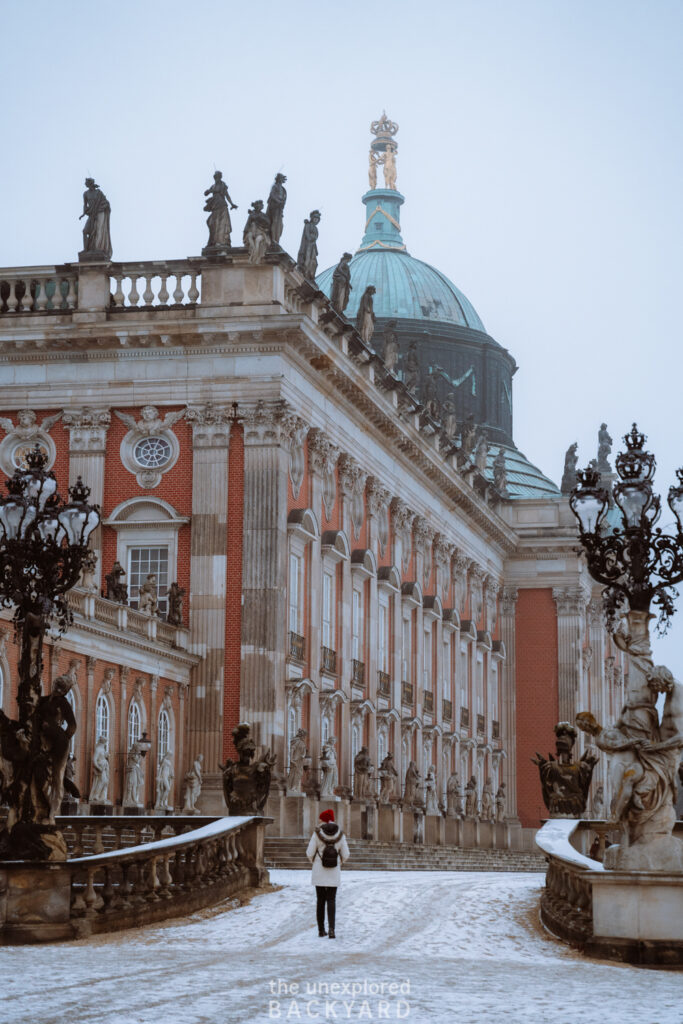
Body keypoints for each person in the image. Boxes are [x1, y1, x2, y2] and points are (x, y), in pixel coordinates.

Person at [306, 809, 350, 939]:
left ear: (324, 820)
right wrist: (339, 862)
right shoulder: (340, 835)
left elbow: (309, 852)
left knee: (320, 900)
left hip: (319, 870)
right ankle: (332, 930)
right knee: (331, 900)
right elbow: (346, 854)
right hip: (333, 870)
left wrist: (315, 862)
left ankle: (321, 930)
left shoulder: (317, 834)